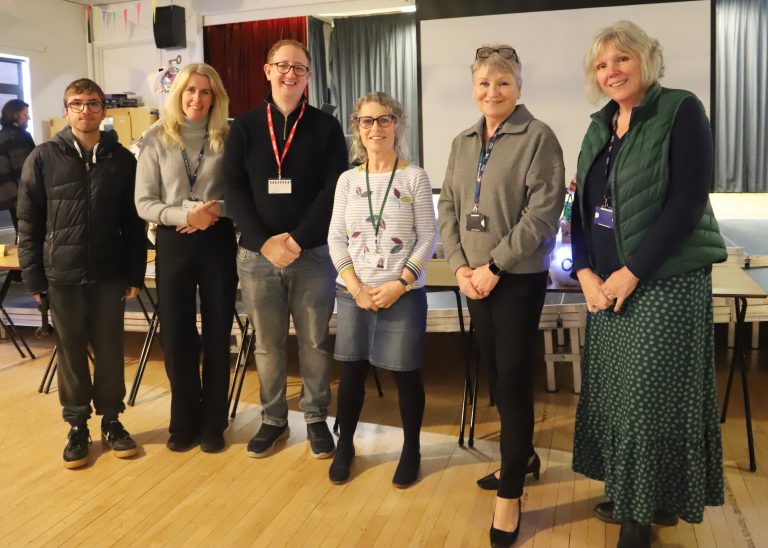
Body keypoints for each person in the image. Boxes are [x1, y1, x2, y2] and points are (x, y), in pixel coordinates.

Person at [570, 21, 727, 548]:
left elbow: (688, 202)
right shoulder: (600, 126)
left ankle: (639, 519)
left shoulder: (680, 109)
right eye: (602, 64)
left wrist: (631, 272)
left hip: (663, 284)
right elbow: (580, 206)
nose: (612, 71)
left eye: (622, 59)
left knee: (649, 403)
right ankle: (637, 494)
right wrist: (585, 272)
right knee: (620, 400)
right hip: (607, 287)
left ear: (646, 59)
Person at [437, 45, 565, 546]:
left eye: (503, 82)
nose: (493, 92)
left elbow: (543, 213)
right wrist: (460, 266)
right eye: (485, 83)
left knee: (512, 379)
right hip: (473, 278)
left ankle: (510, 493)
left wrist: (494, 266)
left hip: (515, 278)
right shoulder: (462, 141)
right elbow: (449, 206)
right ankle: (523, 457)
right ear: (474, 88)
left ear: (519, 88)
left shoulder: (538, 136)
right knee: (495, 372)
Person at [223, 39, 348, 459]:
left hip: (312, 254)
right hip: (257, 256)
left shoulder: (326, 127)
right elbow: (234, 189)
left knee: (315, 342)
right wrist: (264, 241)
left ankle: (315, 418)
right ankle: (273, 419)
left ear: (308, 76)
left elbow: (333, 190)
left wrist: (295, 240)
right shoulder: (243, 126)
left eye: (299, 68)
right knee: (267, 344)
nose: (290, 74)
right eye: (282, 65)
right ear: (267, 70)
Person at [16, 78, 146, 469]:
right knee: (71, 352)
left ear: (103, 110)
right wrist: (33, 278)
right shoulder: (42, 158)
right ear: (66, 110)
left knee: (110, 351)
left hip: (109, 273)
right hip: (62, 275)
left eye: (92, 103)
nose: (85, 110)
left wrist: (134, 274)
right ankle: (77, 426)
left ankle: (112, 420)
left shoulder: (122, 160)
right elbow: (29, 223)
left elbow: (134, 224)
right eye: (77, 103)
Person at [327, 92, 436, 487]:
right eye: (367, 121)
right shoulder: (347, 180)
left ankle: (411, 450)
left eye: (384, 119)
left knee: (406, 374)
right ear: (357, 127)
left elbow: (428, 238)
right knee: (352, 372)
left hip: (401, 293)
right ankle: (345, 446)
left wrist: (400, 283)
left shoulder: (414, 177)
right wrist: (355, 287)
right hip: (353, 293)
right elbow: (335, 238)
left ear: (397, 124)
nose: (376, 128)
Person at [135, 63, 237, 453]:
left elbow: (243, 196)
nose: (197, 98)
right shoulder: (155, 137)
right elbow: (144, 202)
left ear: (216, 97)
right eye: (190, 90)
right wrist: (185, 216)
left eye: (205, 91)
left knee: (217, 331)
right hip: (173, 241)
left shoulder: (229, 137)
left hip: (217, 239)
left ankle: (214, 422)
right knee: (177, 334)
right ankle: (183, 420)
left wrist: (214, 211)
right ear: (178, 94)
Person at [0, 99, 35, 234]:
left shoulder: (23, 136)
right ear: (14, 115)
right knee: (26, 235)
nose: (28, 118)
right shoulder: (9, 138)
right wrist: (21, 199)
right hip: (21, 199)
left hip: (25, 196)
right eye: (25, 114)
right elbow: (5, 174)